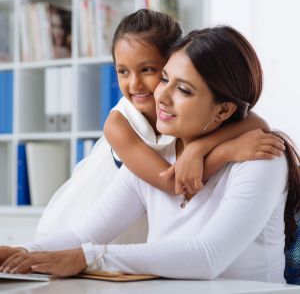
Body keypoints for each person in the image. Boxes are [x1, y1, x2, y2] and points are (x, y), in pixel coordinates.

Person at [1, 26, 299, 282]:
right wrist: (24, 252)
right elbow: (84, 233)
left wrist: (89, 258)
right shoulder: (156, 155)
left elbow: (209, 256)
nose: (162, 96)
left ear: (223, 110)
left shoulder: (260, 157)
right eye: (165, 79)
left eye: (183, 90)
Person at [36, 9, 282, 242]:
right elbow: (172, 184)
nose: (135, 84)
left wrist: (198, 149)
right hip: (101, 214)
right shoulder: (118, 124)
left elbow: (256, 122)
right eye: (122, 71)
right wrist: (225, 151)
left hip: (151, 213)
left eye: (149, 70)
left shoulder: (184, 109)